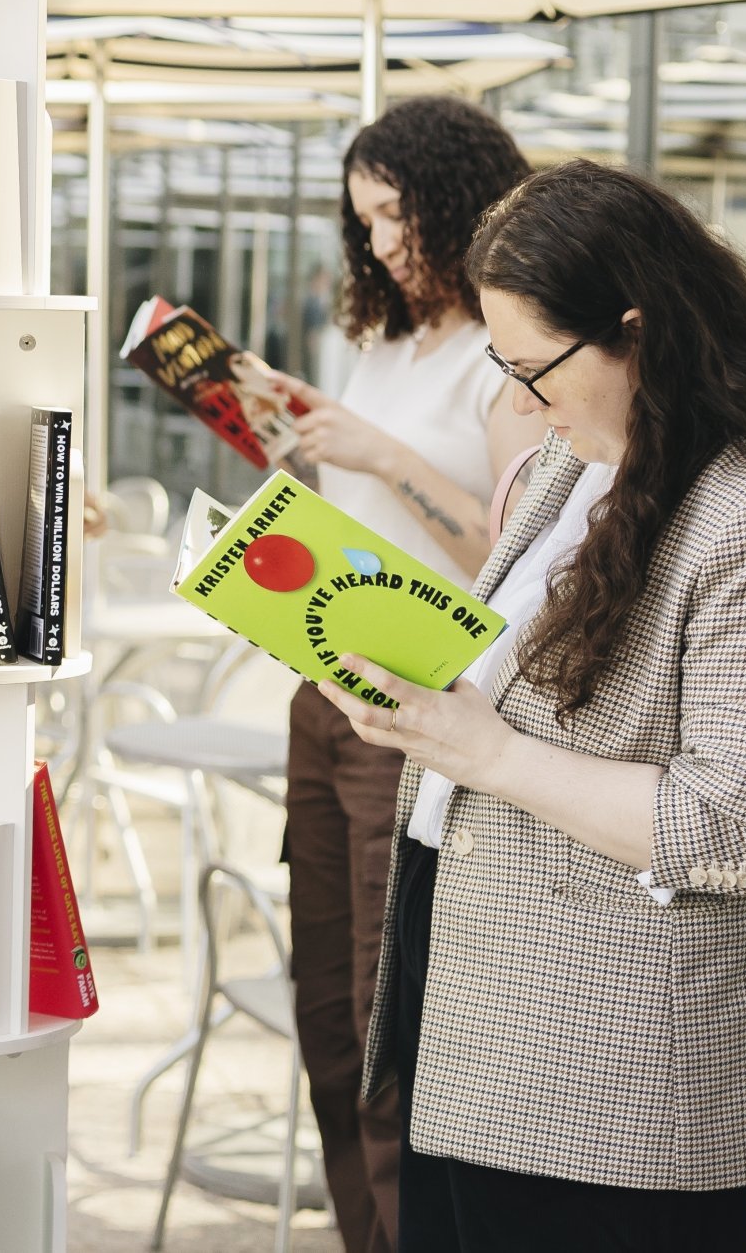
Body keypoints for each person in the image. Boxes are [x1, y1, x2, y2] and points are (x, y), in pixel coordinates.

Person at [331, 160, 746, 1252]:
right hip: (473, 1004)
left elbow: (740, 828)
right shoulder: (576, 463)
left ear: (638, 331)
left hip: (617, 1071)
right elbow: (519, 681)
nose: (516, 405)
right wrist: (410, 689)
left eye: (533, 369)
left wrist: (481, 751)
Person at [255, 96, 543, 1253]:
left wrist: (380, 452)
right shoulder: (375, 343)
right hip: (319, 690)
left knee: (389, 1023)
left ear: (452, 209)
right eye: (362, 219)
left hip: (422, 707)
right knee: (326, 1012)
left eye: (395, 217)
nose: (376, 243)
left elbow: (513, 550)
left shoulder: (507, 358)